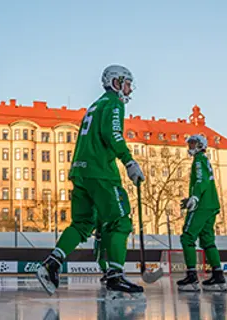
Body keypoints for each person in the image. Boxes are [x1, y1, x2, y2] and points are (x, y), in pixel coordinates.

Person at [36, 65, 145, 297]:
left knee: (82, 224)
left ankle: (51, 264)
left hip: (80, 171)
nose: (129, 89)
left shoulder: (94, 106)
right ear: (116, 83)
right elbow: (112, 134)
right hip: (102, 173)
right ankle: (115, 275)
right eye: (127, 83)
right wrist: (129, 161)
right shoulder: (113, 102)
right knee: (120, 221)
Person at [176, 134, 226, 292]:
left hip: (202, 205)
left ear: (200, 145)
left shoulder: (198, 160)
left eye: (192, 143)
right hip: (212, 203)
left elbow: (200, 180)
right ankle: (218, 277)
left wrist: (196, 197)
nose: (189, 146)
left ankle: (191, 276)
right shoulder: (205, 160)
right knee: (207, 240)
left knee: (187, 237)